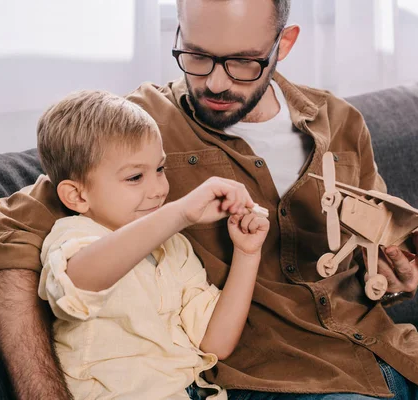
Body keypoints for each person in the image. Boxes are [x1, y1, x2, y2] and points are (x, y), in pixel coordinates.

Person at [0, 0, 418, 399]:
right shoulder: (137, 133)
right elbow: (5, 236)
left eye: (245, 62)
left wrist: (394, 278)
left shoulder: (340, 122)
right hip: (283, 380)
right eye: (198, 57)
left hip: (402, 355)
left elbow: (377, 252)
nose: (216, 82)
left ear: (284, 44)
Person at [34, 90, 269, 399]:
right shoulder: (74, 235)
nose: (159, 189)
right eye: (135, 177)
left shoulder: (175, 247)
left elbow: (216, 343)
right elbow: (77, 285)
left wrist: (247, 253)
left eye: (160, 169)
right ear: (77, 196)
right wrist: (180, 212)